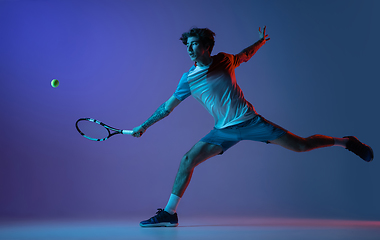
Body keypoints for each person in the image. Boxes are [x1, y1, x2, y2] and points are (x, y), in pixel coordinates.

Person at [132, 26, 374, 227]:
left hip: (250, 123)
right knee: (188, 159)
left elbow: (244, 55)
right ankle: (170, 214)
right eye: (187, 45)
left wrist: (260, 42)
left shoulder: (224, 60)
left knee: (302, 146)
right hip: (222, 131)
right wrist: (144, 125)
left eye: (194, 44)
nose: (189, 48)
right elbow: (167, 107)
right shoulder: (188, 79)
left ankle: (346, 142)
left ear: (206, 46)